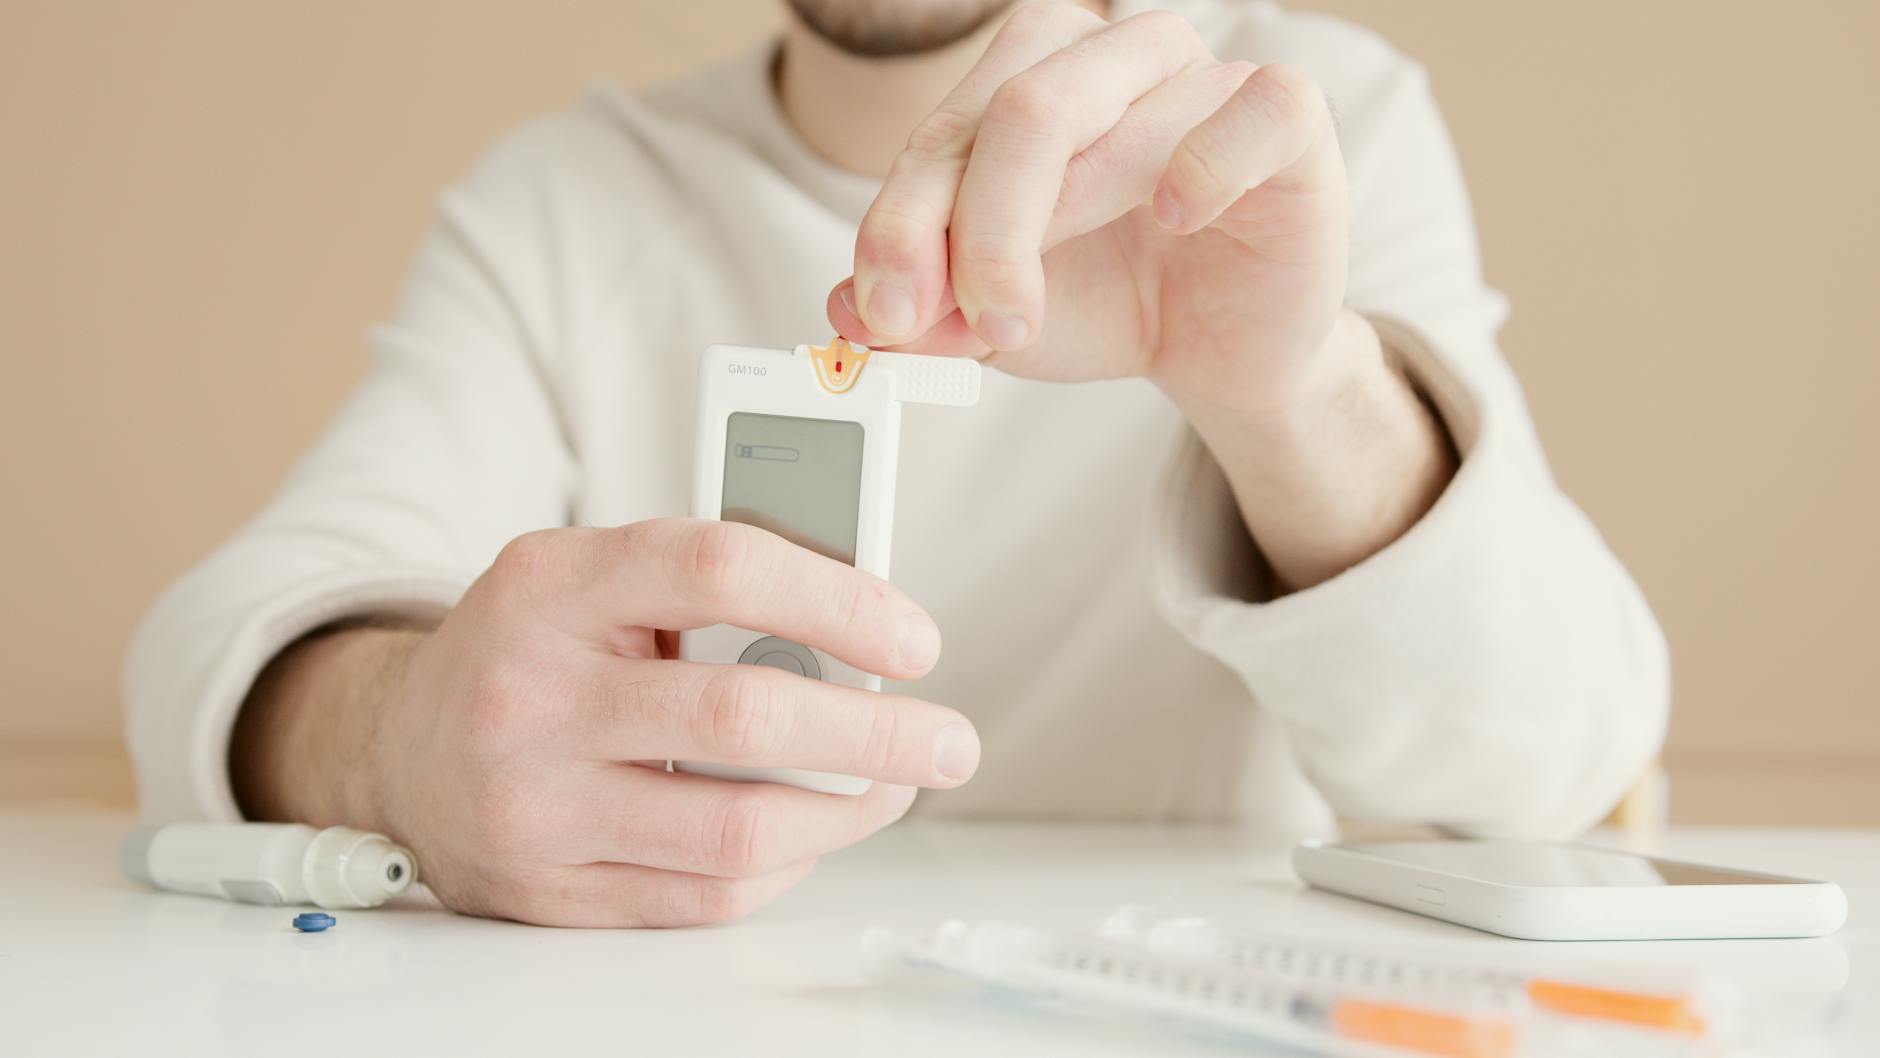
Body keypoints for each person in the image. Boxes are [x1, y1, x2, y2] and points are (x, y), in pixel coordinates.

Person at [126, 0, 1669, 927]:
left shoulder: (1298, 119)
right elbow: (224, 639)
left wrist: (1296, 389)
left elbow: (1554, 761)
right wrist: (397, 738)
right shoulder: (568, 197)